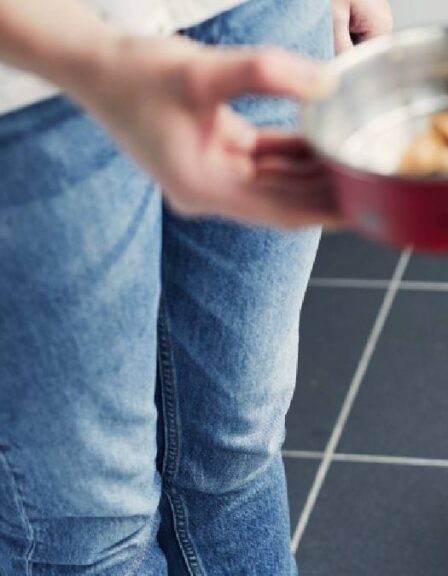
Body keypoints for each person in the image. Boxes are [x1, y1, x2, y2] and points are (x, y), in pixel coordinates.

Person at [0, 0, 391, 573]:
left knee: (238, 448)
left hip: (260, 14)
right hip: (27, 82)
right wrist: (99, 56)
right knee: (87, 524)